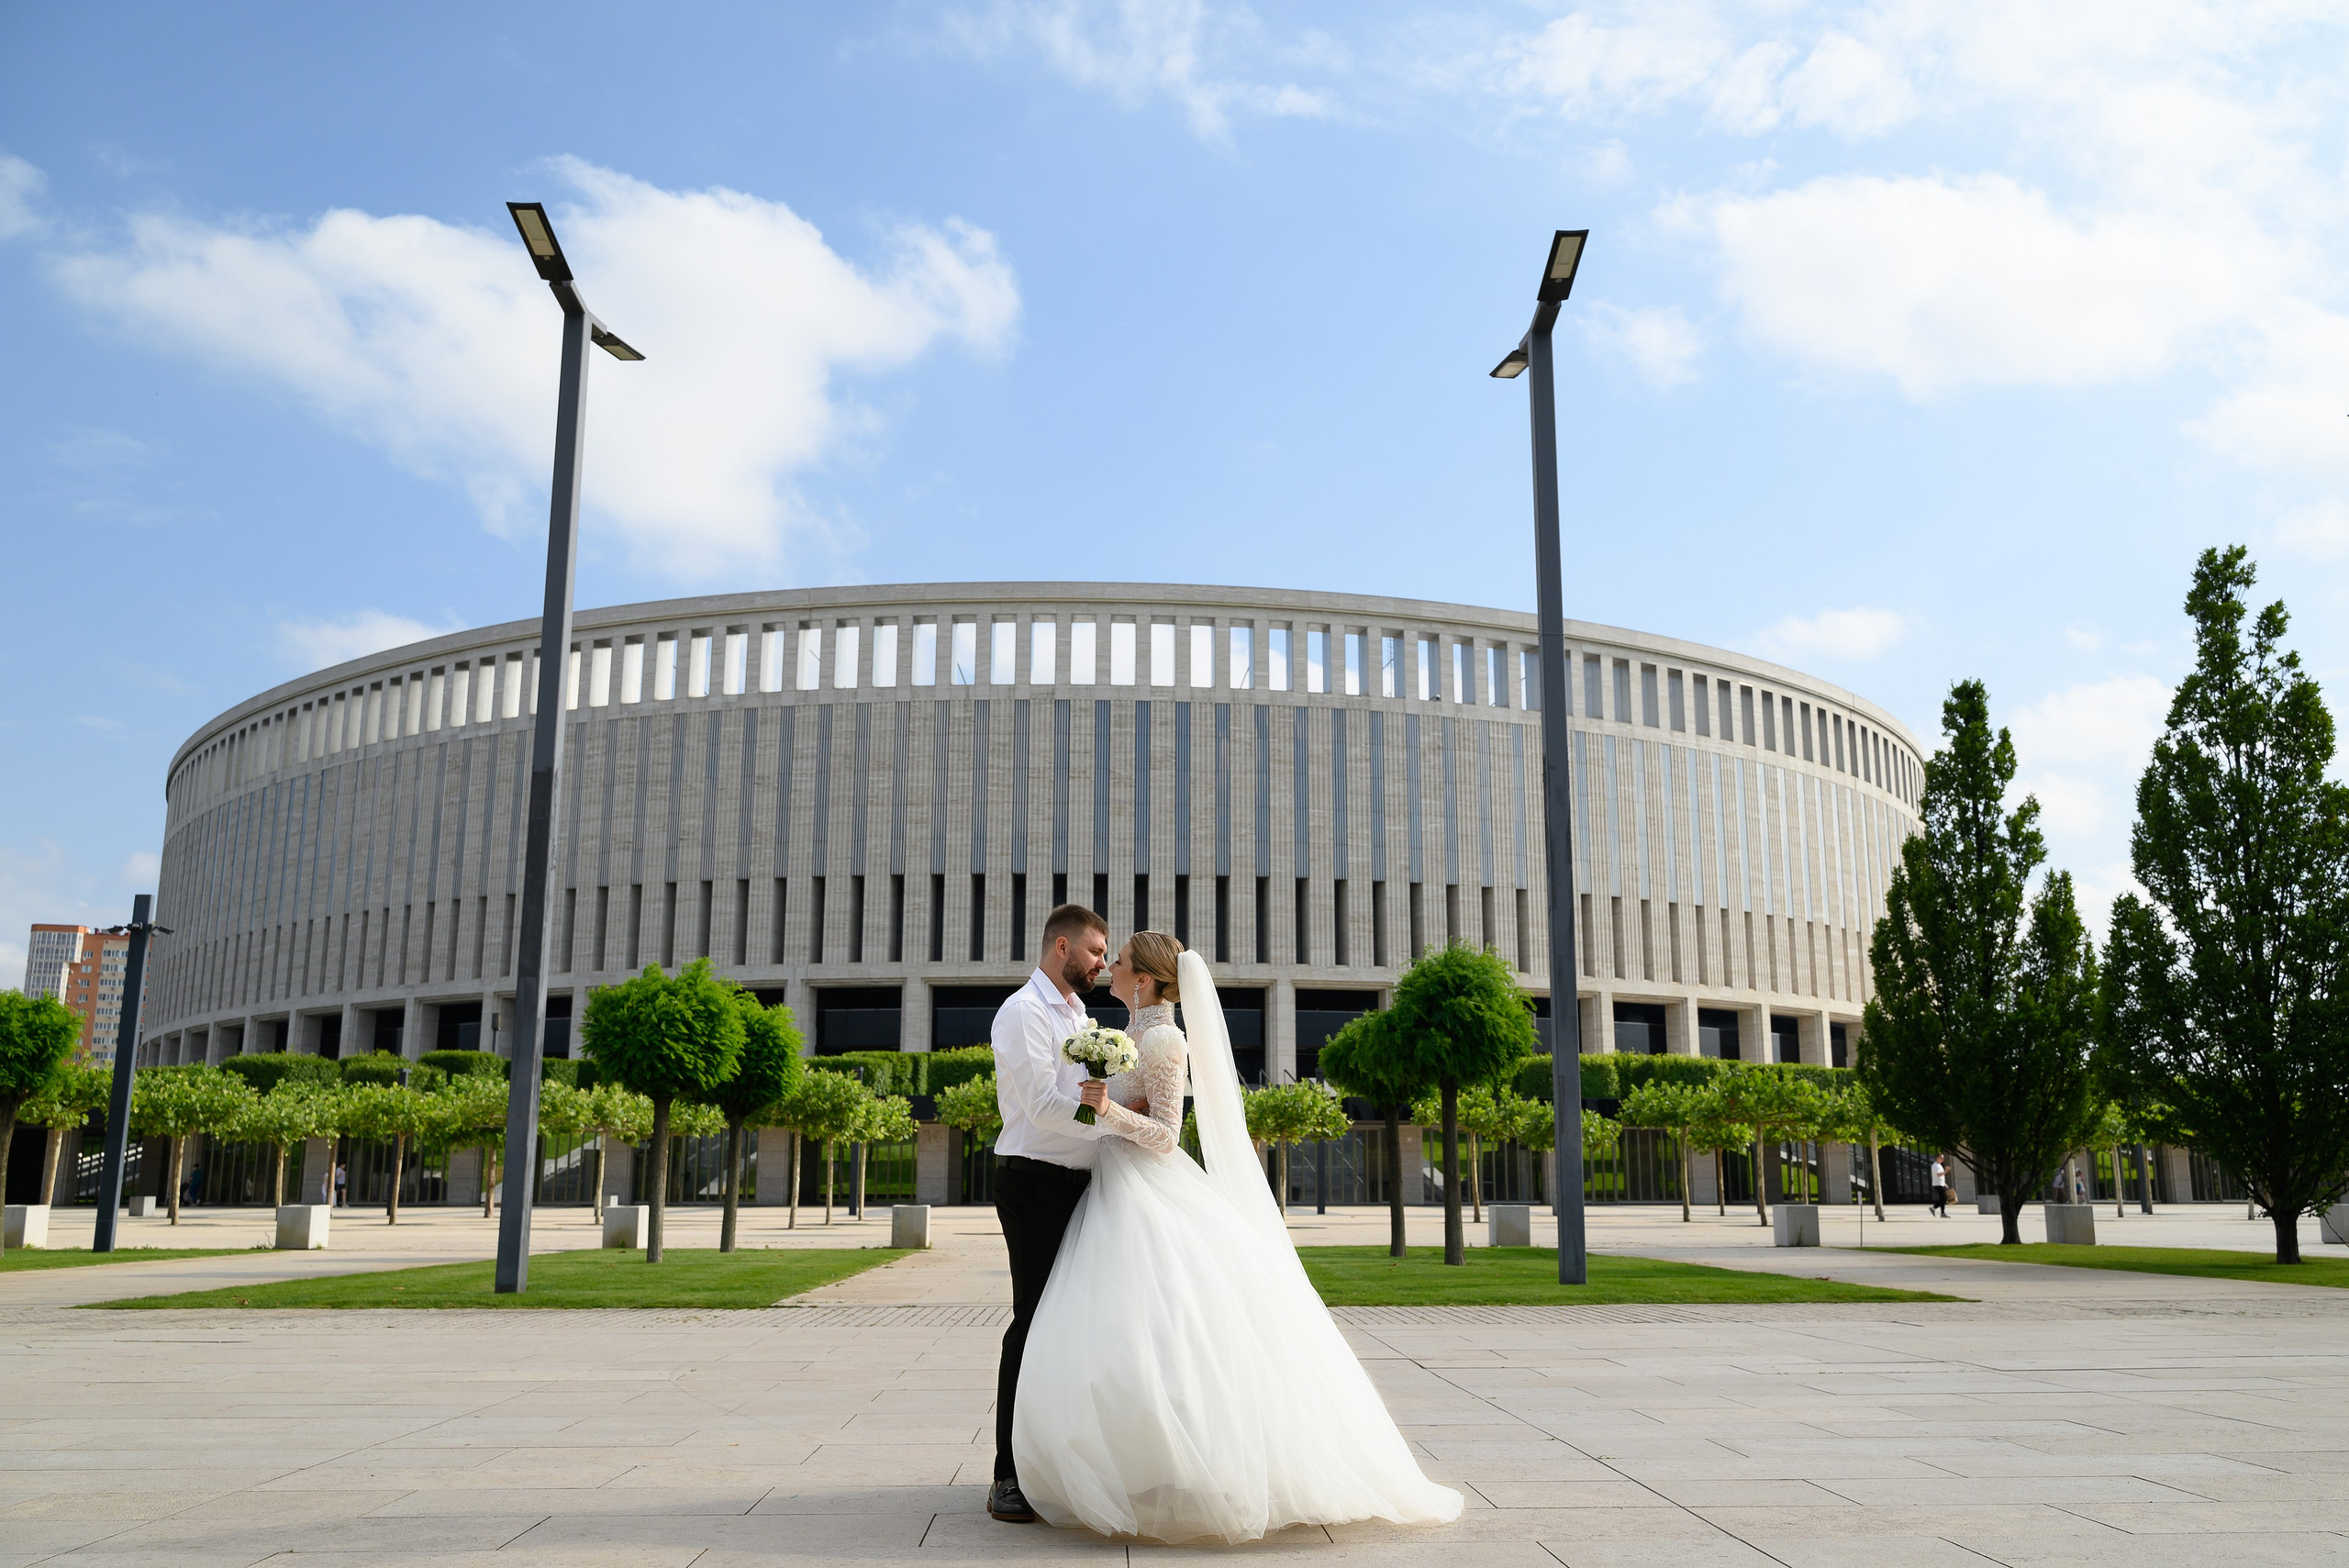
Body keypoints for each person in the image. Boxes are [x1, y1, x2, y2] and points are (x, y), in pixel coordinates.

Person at [1010, 929, 1464, 1544]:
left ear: (1142, 978)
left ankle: (1190, 1465)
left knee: (1167, 1334)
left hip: (1150, 1190)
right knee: (1127, 1338)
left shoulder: (1165, 1039)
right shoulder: (1127, 1037)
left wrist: (1108, 1112)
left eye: (1118, 962)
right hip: (1115, 1191)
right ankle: (1145, 1464)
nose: (1109, 967)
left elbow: (1167, 1133)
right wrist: (1096, 1104)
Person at [986, 904, 1114, 1526]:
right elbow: (1040, 1105)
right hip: (1033, 1182)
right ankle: (1007, 1473)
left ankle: (1055, 1462)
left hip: (1080, 1181)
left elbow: (1082, 1096)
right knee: (1033, 1321)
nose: (1102, 962)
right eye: (1094, 950)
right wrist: (1110, 1122)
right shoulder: (1023, 1012)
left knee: (1074, 1325)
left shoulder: (1079, 1014)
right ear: (1060, 946)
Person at [1929, 1153, 1949, 1217]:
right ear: (1937, 1158)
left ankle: (1942, 1212)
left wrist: (1944, 1183)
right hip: (1937, 1184)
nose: (1942, 1159)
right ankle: (1933, 1208)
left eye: (1943, 1157)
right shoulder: (1935, 1165)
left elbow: (1940, 1176)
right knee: (1944, 1198)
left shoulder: (1939, 1165)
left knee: (1942, 1198)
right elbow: (1938, 1174)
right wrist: (1946, 1171)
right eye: (1941, 1157)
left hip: (1940, 1183)